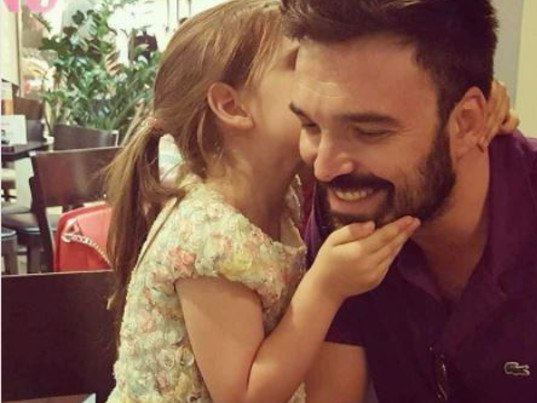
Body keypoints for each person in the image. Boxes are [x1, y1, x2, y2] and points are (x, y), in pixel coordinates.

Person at [104, 1, 422, 401]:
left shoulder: (284, 195)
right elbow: (243, 397)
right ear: (232, 106)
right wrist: (326, 288)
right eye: (297, 61)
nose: (321, 73)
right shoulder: (209, 237)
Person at [281, 0, 536, 402]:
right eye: (310, 125)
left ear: (467, 122)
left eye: (368, 132)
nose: (325, 168)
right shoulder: (349, 216)